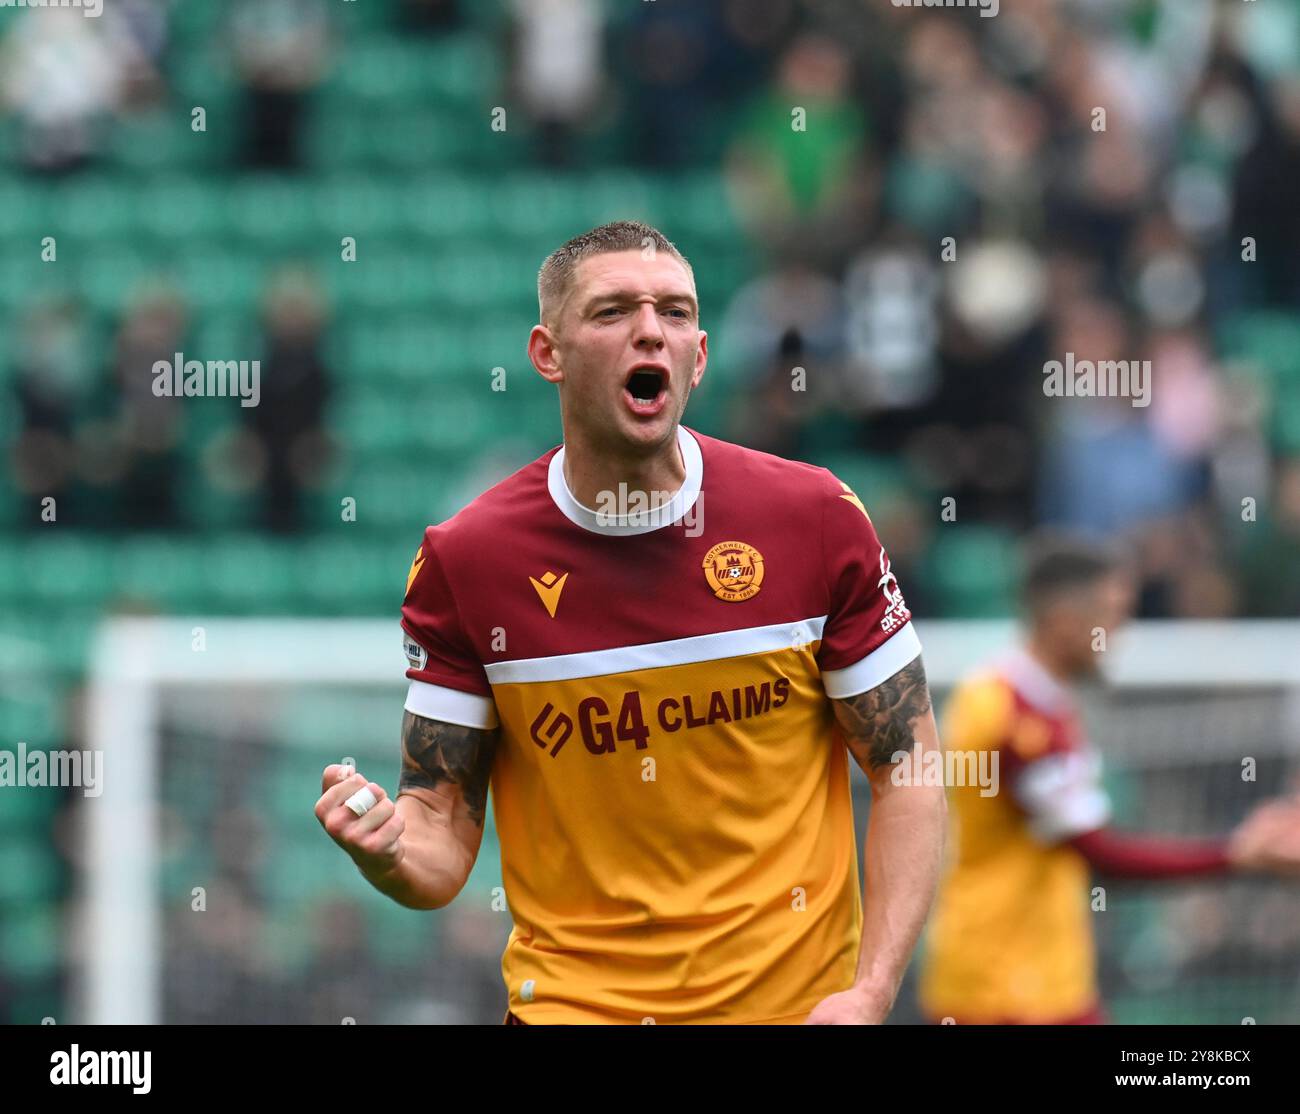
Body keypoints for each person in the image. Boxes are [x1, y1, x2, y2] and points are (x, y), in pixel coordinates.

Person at [314, 220, 947, 1024]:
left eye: (675, 313)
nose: (651, 329)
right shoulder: (468, 562)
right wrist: (390, 853)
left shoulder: (813, 518)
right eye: (613, 311)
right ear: (548, 353)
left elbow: (907, 767)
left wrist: (873, 990)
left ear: (700, 355)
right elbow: (438, 829)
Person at [918, 533, 1300, 1025]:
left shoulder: (1024, 697)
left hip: (1039, 978)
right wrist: (1237, 853)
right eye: (1112, 614)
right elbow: (1101, 854)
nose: (1117, 634)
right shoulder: (1016, 715)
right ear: (1063, 621)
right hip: (1002, 989)